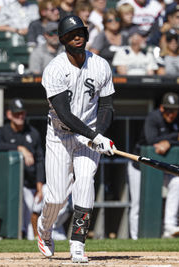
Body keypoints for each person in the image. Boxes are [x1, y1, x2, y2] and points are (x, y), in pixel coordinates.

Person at [37, 15, 116, 263]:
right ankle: (44, 230)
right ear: (62, 40)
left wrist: (99, 135)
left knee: (84, 182)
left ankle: (78, 244)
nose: (77, 36)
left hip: (89, 137)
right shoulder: (54, 69)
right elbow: (64, 114)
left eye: (80, 31)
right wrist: (94, 136)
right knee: (57, 197)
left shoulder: (101, 65)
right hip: (60, 135)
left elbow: (107, 107)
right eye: (71, 34)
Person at [128, 92, 179, 240]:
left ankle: (170, 226)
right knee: (138, 202)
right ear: (162, 108)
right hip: (140, 166)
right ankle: (135, 238)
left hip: (162, 166)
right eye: (168, 110)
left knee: (177, 181)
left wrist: (169, 142)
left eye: (174, 110)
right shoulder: (153, 117)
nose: (171, 113)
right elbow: (151, 141)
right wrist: (175, 137)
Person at [0, 98, 46, 240]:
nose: (20, 116)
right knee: (25, 200)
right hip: (12, 186)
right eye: (17, 114)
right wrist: (19, 149)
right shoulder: (2, 132)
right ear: (9, 114)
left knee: (52, 199)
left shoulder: (32, 133)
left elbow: (40, 160)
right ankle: (24, 234)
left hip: (33, 183)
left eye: (22, 113)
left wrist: (40, 187)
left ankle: (40, 234)